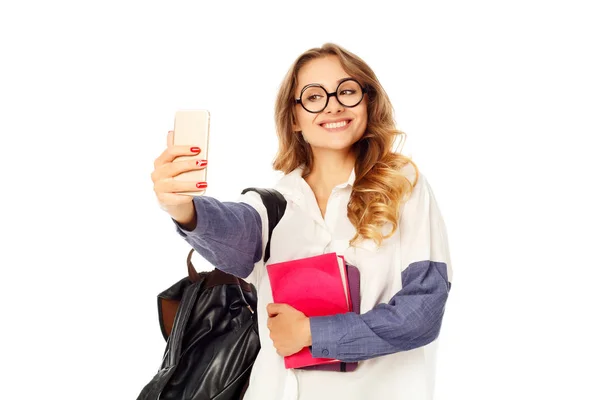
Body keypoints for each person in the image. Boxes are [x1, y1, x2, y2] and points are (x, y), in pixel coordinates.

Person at [151, 42, 453, 400]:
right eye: (313, 97)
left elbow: (422, 312)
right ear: (294, 117)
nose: (333, 104)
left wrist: (312, 333)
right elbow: (232, 230)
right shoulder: (275, 204)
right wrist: (183, 208)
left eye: (347, 91)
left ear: (367, 101)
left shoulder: (403, 185)